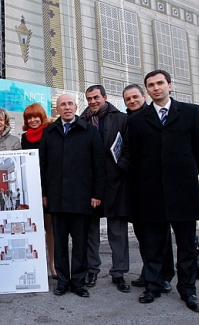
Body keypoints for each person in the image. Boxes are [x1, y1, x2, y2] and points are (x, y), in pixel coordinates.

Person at [128, 70, 199, 312]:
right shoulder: (137, 120)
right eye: (151, 85)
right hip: (151, 192)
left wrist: (184, 173)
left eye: (160, 83)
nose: (156, 88)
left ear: (170, 86)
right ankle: (153, 286)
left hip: (183, 191)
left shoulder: (191, 113)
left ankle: (188, 290)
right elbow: (136, 156)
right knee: (153, 245)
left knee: (186, 245)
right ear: (147, 91)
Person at [39, 93, 105, 298]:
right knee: (59, 243)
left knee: (79, 243)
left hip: (82, 198)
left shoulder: (90, 131)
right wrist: (44, 193)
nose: (66, 107)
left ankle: (78, 282)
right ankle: (62, 281)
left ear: (76, 107)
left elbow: (99, 166)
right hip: (56, 198)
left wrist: (96, 194)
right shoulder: (49, 132)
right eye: (62, 105)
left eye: (70, 104)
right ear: (57, 109)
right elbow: (43, 166)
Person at [122, 83, 174, 292]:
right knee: (143, 234)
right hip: (135, 187)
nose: (132, 101)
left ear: (144, 96)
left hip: (156, 188)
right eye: (128, 99)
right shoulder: (129, 120)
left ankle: (164, 275)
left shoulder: (155, 117)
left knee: (161, 235)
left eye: (135, 97)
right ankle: (150, 272)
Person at [80, 85, 131, 293]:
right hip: (90, 184)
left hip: (115, 182)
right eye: (89, 99)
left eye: (96, 98)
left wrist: (121, 167)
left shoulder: (121, 118)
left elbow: (129, 146)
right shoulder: (81, 121)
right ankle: (92, 269)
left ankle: (119, 272)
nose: (92, 102)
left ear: (105, 97)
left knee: (117, 230)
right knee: (90, 230)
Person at [20, 102, 57, 278]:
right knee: (33, 228)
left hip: (48, 186)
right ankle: (38, 264)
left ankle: (52, 264)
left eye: (36, 116)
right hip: (30, 187)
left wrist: (46, 193)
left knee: (50, 228)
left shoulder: (50, 133)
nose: (33, 120)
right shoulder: (24, 137)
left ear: (42, 117)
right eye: (29, 117)